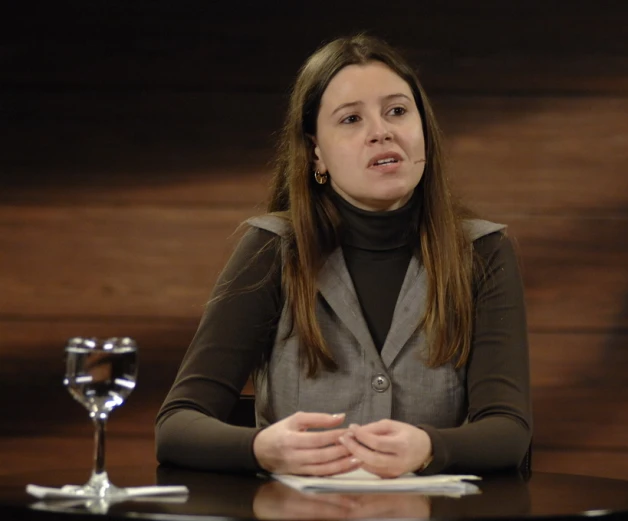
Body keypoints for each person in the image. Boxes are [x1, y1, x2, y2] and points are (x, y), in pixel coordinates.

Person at [155, 34, 532, 478]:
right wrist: (262, 449)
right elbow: (176, 424)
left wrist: (430, 446)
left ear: (423, 130)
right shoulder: (274, 249)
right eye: (351, 119)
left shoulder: (482, 252)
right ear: (317, 152)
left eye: (397, 111)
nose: (382, 131)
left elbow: (508, 431)